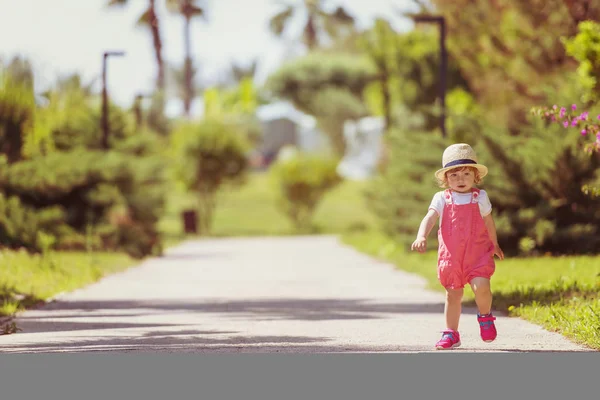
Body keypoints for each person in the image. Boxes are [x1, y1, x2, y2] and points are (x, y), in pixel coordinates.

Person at [411, 143, 504, 350]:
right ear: (446, 179)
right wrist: (421, 236)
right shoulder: (442, 198)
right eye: (454, 175)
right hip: (452, 257)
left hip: (478, 254)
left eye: (465, 174)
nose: (460, 179)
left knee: (482, 287)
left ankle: (485, 317)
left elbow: (489, 222)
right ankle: (451, 333)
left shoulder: (480, 197)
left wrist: (495, 243)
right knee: (453, 295)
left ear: (475, 176)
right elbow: (430, 217)